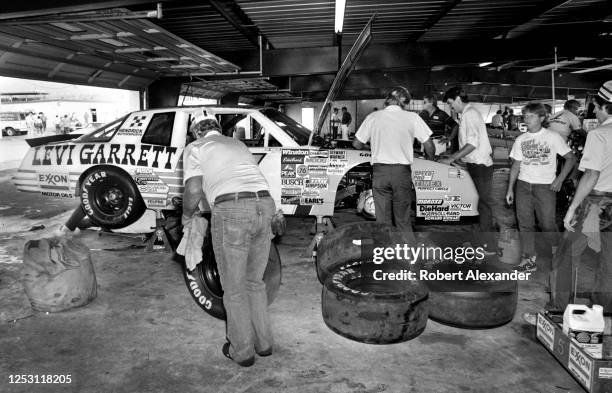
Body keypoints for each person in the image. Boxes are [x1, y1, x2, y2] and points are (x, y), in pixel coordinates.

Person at [182, 117, 276, 367]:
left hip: (232, 209)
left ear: (195, 134)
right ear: (218, 130)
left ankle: (242, 351)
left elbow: (193, 189)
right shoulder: (237, 144)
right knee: (254, 282)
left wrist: (185, 215)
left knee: (234, 288)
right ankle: (264, 343)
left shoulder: (196, 147)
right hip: (265, 204)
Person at [554, 81, 612, 313]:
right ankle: (603, 311)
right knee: (609, 260)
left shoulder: (599, 134)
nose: (594, 113)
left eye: (596, 108)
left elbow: (591, 174)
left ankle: (558, 310)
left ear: (604, 107)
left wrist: (572, 207)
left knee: (566, 255)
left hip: (597, 202)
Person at [506, 103, 576, 273]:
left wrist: (560, 179)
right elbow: (516, 165)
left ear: (542, 118)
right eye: (525, 116)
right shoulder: (521, 139)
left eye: (531, 116)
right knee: (525, 224)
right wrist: (510, 188)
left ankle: (558, 256)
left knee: (547, 224)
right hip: (523, 186)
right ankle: (528, 260)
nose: (526, 119)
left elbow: (571, 158)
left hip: (545, 187)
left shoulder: (552, 137)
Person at [353, 86, 435, 231]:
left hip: (380, 173)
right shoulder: (412, 117)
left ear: (388, 99)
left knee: (383, 221)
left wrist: (373, 147)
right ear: (404, 102)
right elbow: (429, 144)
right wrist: (432, 159)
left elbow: (357, 144)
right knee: (403, 218)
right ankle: (407, 251)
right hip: (401, 174)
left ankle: (385, 251)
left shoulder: (373, 117)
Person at [440, 87, 497, 254]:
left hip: (480, 166)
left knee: (483, 205)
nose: (451, 108)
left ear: (458, 99)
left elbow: (472, 144)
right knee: (475, 205)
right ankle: (477, 242)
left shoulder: (470, 113)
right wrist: (457, 158)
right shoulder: (466, 114)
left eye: (451, 104)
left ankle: (487, 246)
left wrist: (451, 158)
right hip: (473, 164)